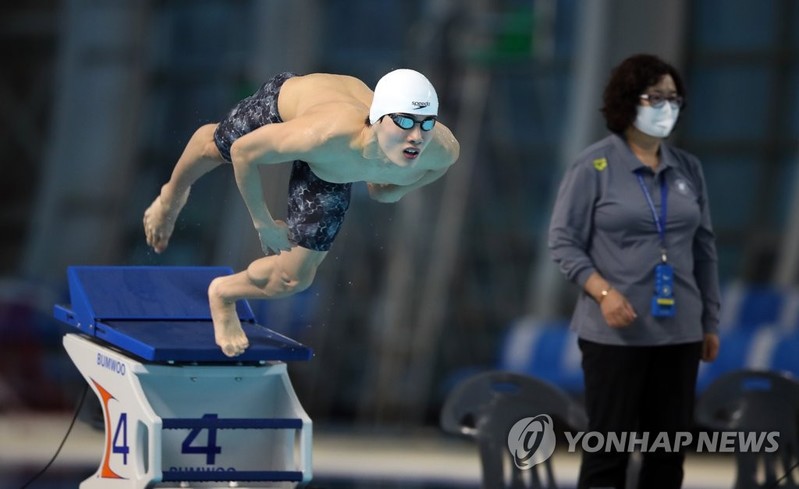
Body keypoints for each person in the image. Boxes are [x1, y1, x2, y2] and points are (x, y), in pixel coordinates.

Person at [143, 69, 460, 357]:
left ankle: (223, 294)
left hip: (333, 171)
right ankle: (171, 197)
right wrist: (263, 222)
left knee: (294, 278)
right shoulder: (321, 135)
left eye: (426, 123)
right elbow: (244, 153)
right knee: (217, 148)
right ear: (379, 118)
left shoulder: (439, 148)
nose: (416, 136)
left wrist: (397, 190)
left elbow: (442, 165)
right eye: (404, 121)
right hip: (290, 107)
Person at [548, 54, 720, 489]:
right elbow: (563, 240)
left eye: (673, 98)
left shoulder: (688, 169)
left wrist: (710, 321)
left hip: (679, 333)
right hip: (615, 335)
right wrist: (603, 293)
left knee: (667, 460)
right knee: (608, 457)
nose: (666, 107)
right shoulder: (594, 165)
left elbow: (704, 249)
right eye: (655, 97)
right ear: (629, 101)